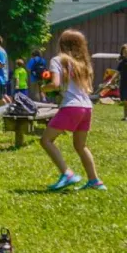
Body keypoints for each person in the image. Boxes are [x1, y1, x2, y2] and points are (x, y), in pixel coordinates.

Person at [40, 30, 105, 191]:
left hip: (71, 106)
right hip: (86, 107)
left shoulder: (58, 60)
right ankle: (95, 181)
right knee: (80, 146)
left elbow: (55, 84)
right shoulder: (83, 63)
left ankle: (67, 173)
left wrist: (44, 87)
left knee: (46, 140)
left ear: (62, 44)